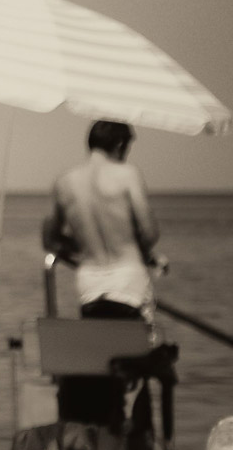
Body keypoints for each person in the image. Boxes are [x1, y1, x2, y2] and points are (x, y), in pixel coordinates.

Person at [42, 120, 161, 319]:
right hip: (129, 279)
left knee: (99, 345)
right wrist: (142, 253)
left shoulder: (64, 182)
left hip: (90, 282)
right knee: (138, 346)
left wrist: (84, 246)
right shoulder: (128, 175)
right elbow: (150, 232)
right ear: (120, 145)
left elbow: (50, 239)